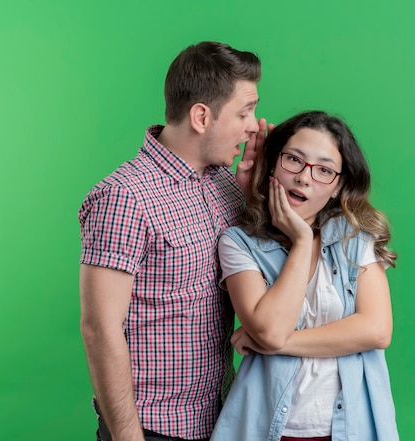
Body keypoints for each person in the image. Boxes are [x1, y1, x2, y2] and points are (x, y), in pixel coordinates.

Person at [78, 41, 272, 441]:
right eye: (244, 112)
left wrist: (252, 196)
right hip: (153, 428)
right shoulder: (125, 197)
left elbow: (253, 273)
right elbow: (100, 328)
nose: (254, 125)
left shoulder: (224, 184)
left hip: (220, 416)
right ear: (201, 116)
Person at [210, 110, 400, 441]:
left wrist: (273, 344)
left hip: (350, 428)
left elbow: (377, 330)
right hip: (265, 425)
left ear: (338, 185)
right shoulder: (239, 244)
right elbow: (269, 330)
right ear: (272, 165)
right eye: (293, 160)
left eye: (324, 170)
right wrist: (300, 241)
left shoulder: (354, 237)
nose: (304, 177)